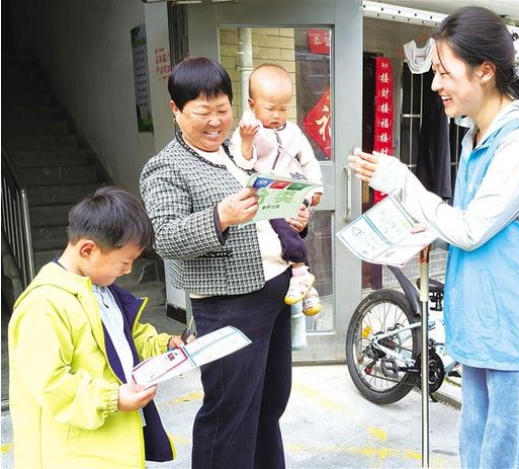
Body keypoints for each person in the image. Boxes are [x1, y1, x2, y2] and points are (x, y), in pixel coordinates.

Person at [348, 6, 519, 469]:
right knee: (479, 457)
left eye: (444, 72)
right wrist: (424, 232)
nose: (434, 84)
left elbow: (472, 230)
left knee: (511, 460)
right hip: (483, 330)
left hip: (515, 340)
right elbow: (475, 225)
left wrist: (403, 182)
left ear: (485, 71)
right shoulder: (477, 136)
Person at [140, 57, 309, 469]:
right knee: (230, 414)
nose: (216, 122)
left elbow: (266, 213)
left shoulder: (238, 151)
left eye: (223, 109)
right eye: (203, 112)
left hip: (274, 291)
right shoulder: (166, 167)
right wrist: (220, 216)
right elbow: (166, 238)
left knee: (269, 404)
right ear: (176, 110)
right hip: (228, 304)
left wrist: (294, 221)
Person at [8, 186, 185, 468]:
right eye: (125, 262)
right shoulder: (44, 304)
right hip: (70, 456)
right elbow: (50, 384)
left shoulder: (100, 289)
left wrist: (165, 346)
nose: (128, 271)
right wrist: (112, 398)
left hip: (109, 444)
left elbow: (128, 339)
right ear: (88, 249)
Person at [230, 63, 323, 316]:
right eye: (270, 109)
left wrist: (315, 190)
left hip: (292, 191)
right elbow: (243, 162)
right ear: (252, 104)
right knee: (284, 229)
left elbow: (309, 161)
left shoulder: (293, 132)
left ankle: (302, 276)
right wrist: (247, 141)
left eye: (283, 109)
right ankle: (304, 278)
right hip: (266, 197)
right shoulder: (248, 130)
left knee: (292, 227)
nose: (277, 115)